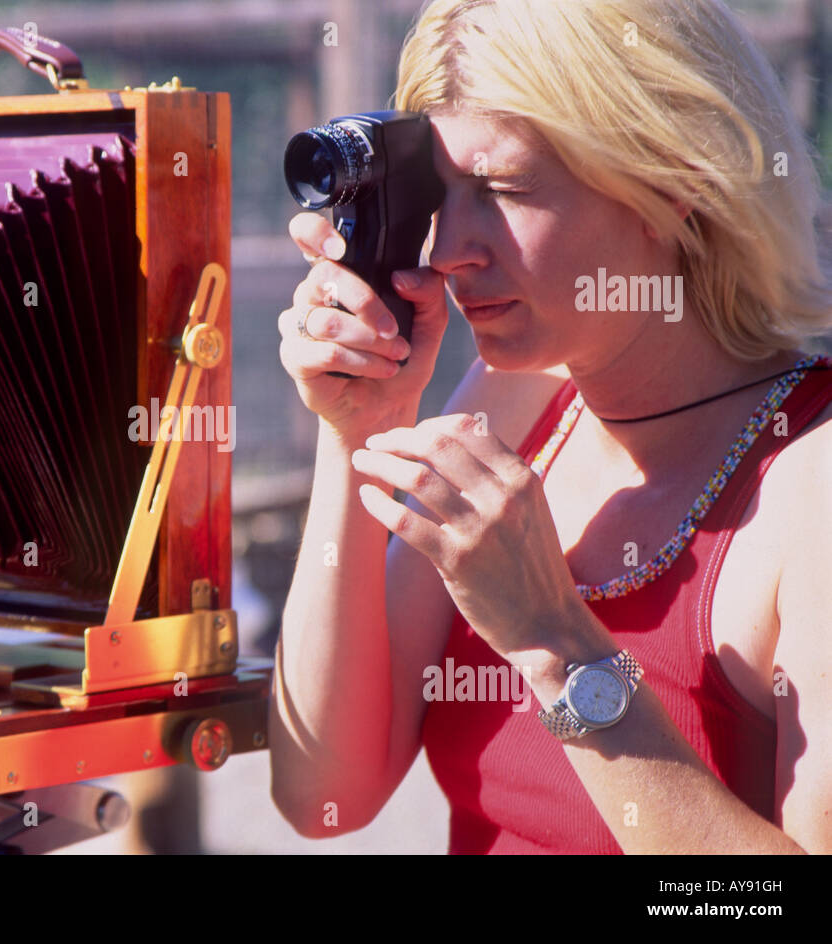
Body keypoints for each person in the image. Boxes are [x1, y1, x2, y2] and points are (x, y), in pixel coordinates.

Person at [269, 0, 832, 853]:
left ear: (671, 185)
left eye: (502, 189)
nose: (452, 246)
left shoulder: (809, 479)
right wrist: (358, 431)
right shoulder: (518, 399)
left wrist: (554, 642)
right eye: (440, 193)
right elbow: (323, 796)